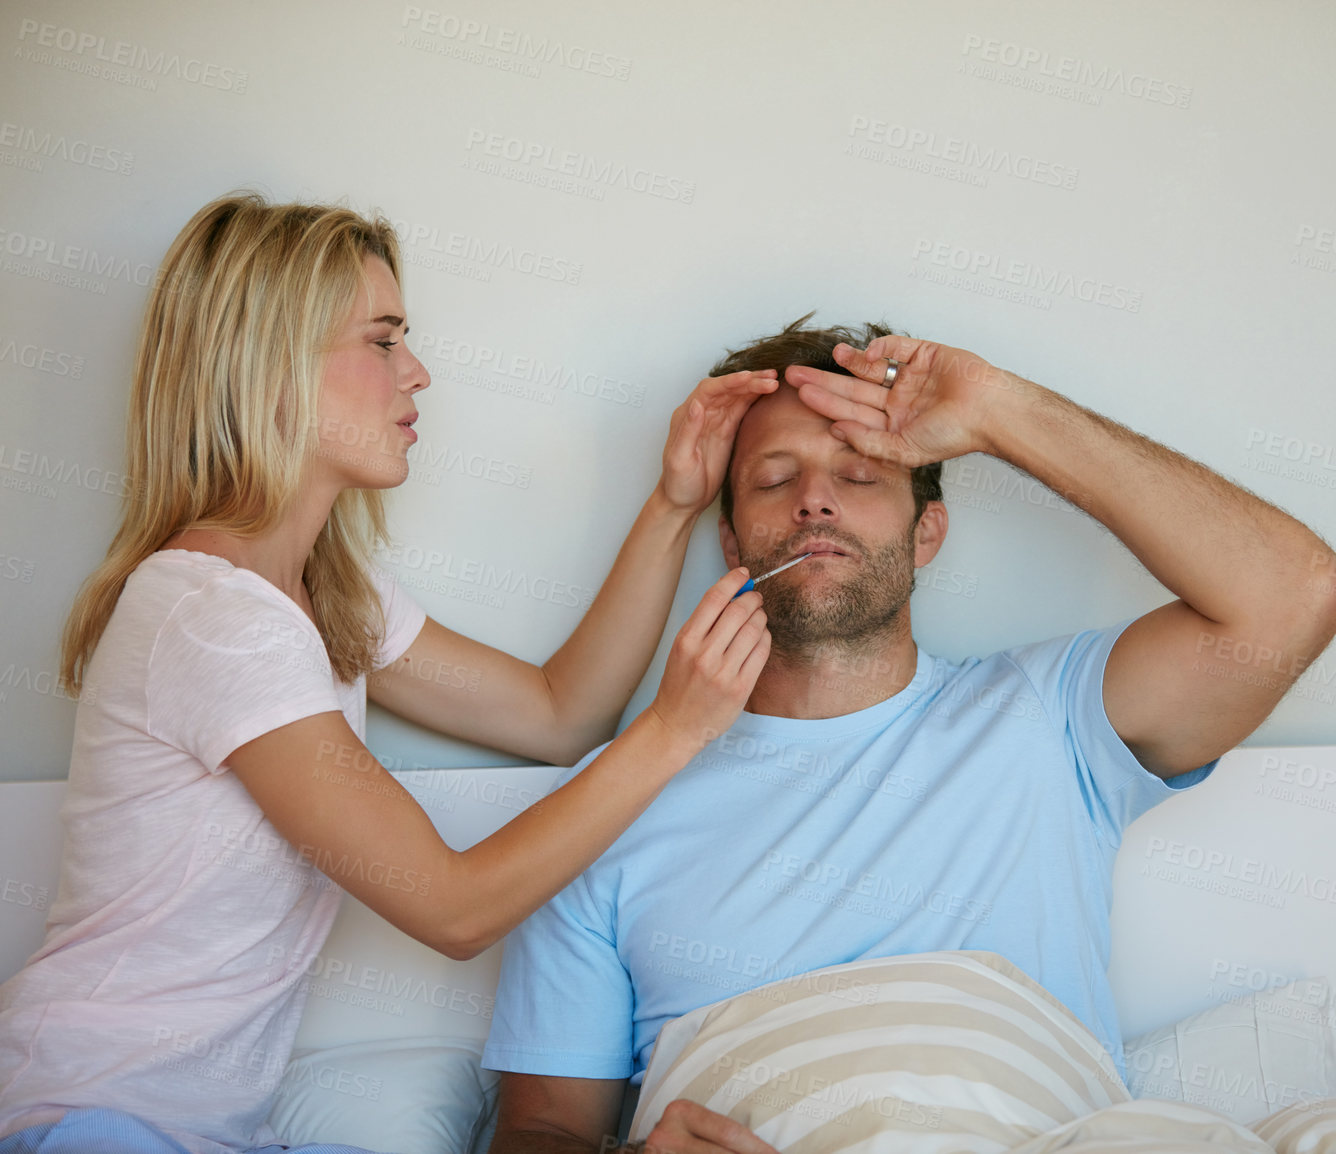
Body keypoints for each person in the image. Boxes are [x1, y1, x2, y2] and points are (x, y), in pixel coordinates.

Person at [0, 194, 778, 1154]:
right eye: (381, 341)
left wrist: (673, 502)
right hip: (87, 1120)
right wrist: (677, 730)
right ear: (269, 366)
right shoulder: (213, 619)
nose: (417, 372)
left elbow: (559, 713)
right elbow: (455, 911)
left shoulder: (328, 594)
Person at [483, 317, 1336, 1153]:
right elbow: (537, 1135)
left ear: (926, 530)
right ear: (730, 543)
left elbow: (1293, 598)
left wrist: (996, 411)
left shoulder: (1053, 715)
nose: (816, 500)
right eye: (774, 479)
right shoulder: (605, 808)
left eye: (860, 477)